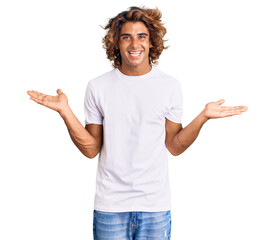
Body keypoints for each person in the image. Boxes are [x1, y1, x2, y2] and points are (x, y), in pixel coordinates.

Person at [27, 6, 248, 240]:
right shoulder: (98, 87)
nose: (134, 44)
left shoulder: (169, 86)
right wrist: (65, 111)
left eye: (142, 36)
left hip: (155, 205)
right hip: (110, 206)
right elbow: (91, 149)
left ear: (151, 42)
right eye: (126, 37)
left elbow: (174, 146)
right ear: (116, 43)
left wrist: (202, 117)